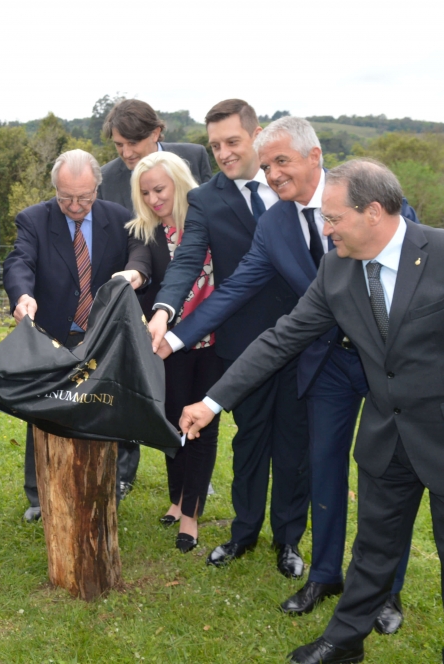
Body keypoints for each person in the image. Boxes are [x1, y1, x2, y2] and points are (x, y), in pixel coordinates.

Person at [180, 158, 444, 664]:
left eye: (333, 219)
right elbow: (281, 340)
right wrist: (213, 401)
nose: (325, 230)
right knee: (372, 549)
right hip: (386, 436)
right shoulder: (336, 270)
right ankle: (344, 641)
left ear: (373, 212)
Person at [157, 117, 416, 628]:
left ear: (315, 156)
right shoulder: (275, 223)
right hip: (327, 362)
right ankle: (323, 574)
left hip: (389, 362)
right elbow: (235, 289)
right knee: (322, 466)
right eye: (267, 163)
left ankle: (387, 590)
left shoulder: (367, 197)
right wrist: (173, 335)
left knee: (387, 476)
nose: (272, 174)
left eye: (282, 162)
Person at [148, 100, 308, 578]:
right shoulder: (207, 200)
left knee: (296, 445)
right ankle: (243, 532)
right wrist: (164, 310)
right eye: (214, 145)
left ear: (256, 135)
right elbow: (187, 261)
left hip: (306, 341)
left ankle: (289, 540)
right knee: (251, 441)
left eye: (232, 142)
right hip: (242, 345)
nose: (223, 153)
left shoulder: (292, 186)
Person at [3, 149, 152, 521]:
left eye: (84, 197)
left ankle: (116, 480)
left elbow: (141, 253)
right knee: (46, 411)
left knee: (110, 408)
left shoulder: (120, 218)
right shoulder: (35, 220)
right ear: (54, 189)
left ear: (97, 188)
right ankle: (40, 496)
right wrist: (23, 296)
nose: (74, 205)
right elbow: (19, 261)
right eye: (65, 196)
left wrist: (133, 273)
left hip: (104, 334)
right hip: (54, 332)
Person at [96, 98, 213, 499]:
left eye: (134, 143)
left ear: (157, 133)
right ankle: (127, 473)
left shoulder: (194, 158)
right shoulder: (109, 177)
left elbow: (212, 221)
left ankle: (194, 481)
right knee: (146, 394)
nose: (126, 153)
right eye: (118, 145)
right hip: (145, 302)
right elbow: (137, 239)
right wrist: (133, 274)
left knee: (193, 400)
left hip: (205, 305)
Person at [126, 151, 221, 552]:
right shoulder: (146, 231)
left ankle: (191, 514)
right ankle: (176, 495)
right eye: (145, 192)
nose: (153, 199)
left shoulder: (210, 223)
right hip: (166, 347)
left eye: (159, 189)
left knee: (200, 426)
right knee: (171, 423)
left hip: (213, 345)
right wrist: (131, 275)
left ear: (180, 183)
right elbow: (141, 261)